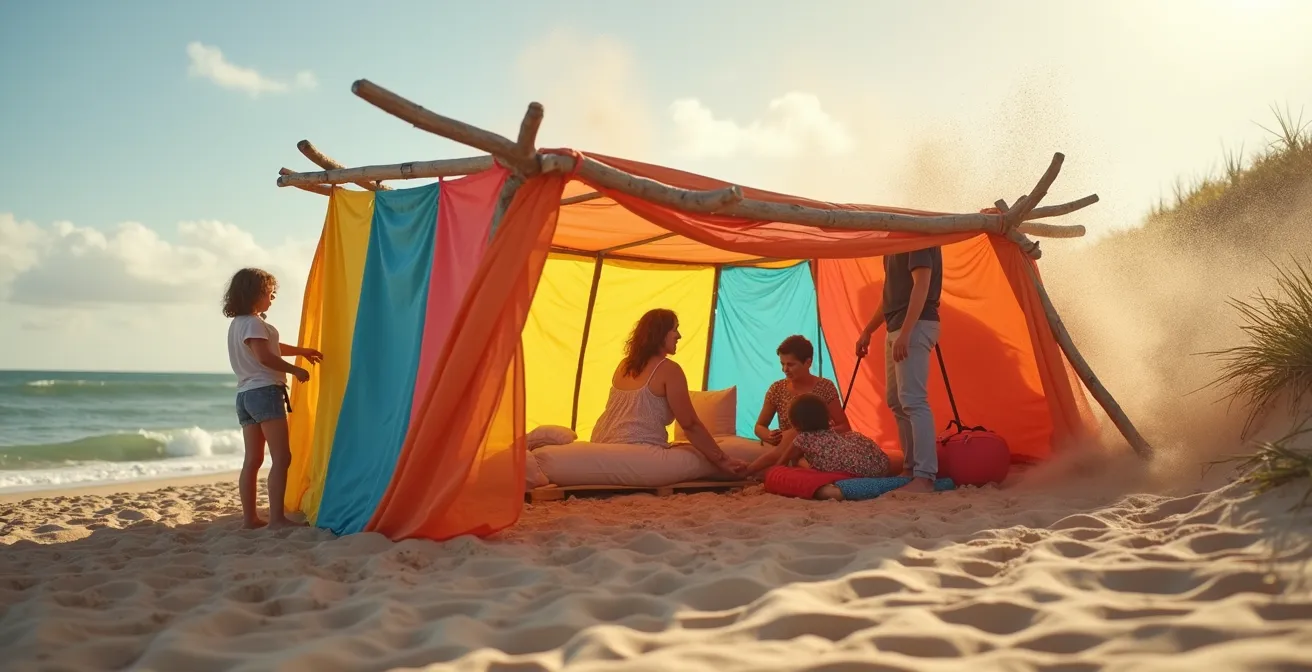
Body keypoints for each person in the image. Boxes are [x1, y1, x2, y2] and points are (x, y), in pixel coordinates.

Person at [592, 308, 748, 477]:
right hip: (639, 452)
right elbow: (690, 424)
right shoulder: (669, 370)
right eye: (674, 329)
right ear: (660, 334)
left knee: (691, 447)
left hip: (601, 445)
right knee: (702, 454)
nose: (679, 335)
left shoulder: (624, 365)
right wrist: (722, 459)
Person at [223, 268, 323, 529]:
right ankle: (277, 519)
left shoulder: (238, 324)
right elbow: (265, 357)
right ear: (256, 294)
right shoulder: (255, 322)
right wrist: (296, 369)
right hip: (264, 392)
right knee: (281, 457)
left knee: (253, 460)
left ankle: (250, 519)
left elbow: (271, 347)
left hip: (244, 396)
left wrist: (302, 351)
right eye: (270, 293)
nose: (273, 298)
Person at [855, 245, 942, 494]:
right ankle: (911, 467)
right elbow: (889, 297)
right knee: (896, 400)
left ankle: (925, 476)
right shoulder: (892, 247)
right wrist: (868, 331)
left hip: (914, 326)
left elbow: (922, 284)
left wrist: (906, 332)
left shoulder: (918, 238)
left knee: (914, 400)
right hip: (897, 328)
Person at [746, 393, 892, 500]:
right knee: (853, 437)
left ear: (796, 424)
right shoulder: (832, 434)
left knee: (788, 468)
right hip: (880, 467)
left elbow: (780, 465)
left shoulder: (802, 439)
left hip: (855, 474)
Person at [754, 335, 851, 448]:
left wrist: (812, 437)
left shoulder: (825, 387)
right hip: (787, 449)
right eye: (782, 364)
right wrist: (769, 436)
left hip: (821, 449)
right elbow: (759, 426)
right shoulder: (777, 389)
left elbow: (844, 427)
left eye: (790, 364)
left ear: (808, 362)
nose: (785, 369)